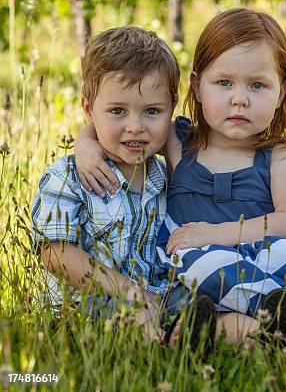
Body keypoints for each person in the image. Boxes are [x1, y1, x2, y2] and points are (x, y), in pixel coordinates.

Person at [75, 8, 286, 341]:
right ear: (198, 87)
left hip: (261, 256)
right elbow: (126, 127)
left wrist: (213, 234)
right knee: (203, 270)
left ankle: (276, 315)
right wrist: (85, 144)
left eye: (257, 85)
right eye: (224, 83)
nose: (239, 99)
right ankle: (256, 328)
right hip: (195, 269)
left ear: (281, 92)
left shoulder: (275, 156)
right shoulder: (178, 141)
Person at [30, 26, 217, 353]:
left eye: (152, 112)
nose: (135, 126)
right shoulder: (69, 178)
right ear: (89, 110)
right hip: (84, 305)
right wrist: (128, 292)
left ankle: (266, 327)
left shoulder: (166, 173)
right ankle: (162, 352)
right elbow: (54, 253)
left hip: (156, 295)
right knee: (134, 314)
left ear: (171, 108)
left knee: (207, 302)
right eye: (117, 111)